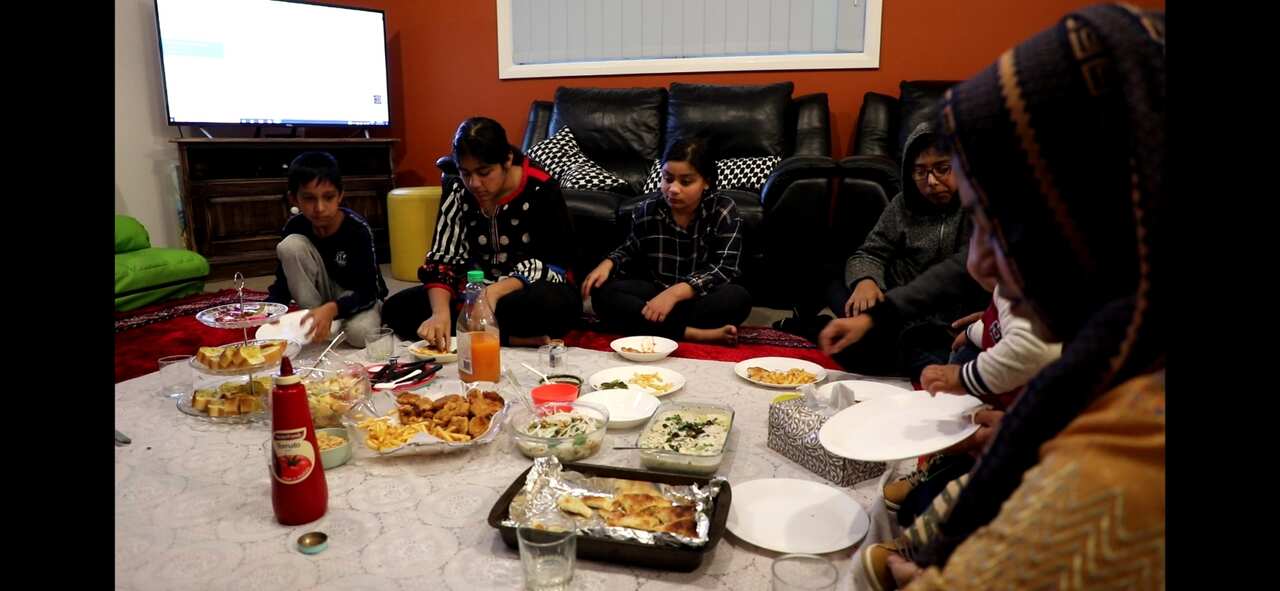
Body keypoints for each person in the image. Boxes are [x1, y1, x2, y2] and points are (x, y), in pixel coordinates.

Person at [854, 4, 1165, 589]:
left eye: (1000, 223)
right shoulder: (1113, 361)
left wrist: (883, 571)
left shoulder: (1117, 477)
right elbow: (869, 254)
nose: (980, 263)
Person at [883, 229, 1063, 524]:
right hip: (997, 408)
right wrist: (970, 333)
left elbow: (1033, 348)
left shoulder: (1017, 284)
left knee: (924, 510)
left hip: (1023, 426)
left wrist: (961, 377)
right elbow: (995, 328)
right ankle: (941, 471)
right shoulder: (1006, 290)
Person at [381, 117, 582, 349]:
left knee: (553, 306)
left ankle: (473, 332)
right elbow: (443, 259)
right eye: (466, 173)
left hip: (525, 289)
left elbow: (556, 263)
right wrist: (439, 313)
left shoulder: (541, 188)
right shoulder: (458, 188)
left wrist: (494, 293)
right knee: (396, 308)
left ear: (507, 160)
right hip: (470, 292)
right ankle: (509, 339)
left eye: (484, 172)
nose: (474, 183)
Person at [820, 121, 982, 376]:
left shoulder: (980, 209)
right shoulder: (902, 205)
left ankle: (826, 328)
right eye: (920, 171)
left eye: (942, 169)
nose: (931, 181)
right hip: (893, 303)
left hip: (945, 322)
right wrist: (866, 280)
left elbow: (959, 273)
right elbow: (870, 252)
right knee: (833, 280)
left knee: (958, 361)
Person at [581, 137, 751, 345]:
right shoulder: (647, 209)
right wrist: (609, 263)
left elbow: (725, 268)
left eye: (686, 182)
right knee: (602, 293)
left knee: (738, 298)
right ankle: (693, 333)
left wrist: (675, 294)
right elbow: (631, 248)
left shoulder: (723, 209)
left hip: (696, 297)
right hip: (656, 292)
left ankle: (653, 326)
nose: (673, 189)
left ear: (706, 181)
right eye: (667, 179)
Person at [266, 151, 388, 347]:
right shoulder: (294, 227)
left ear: (340, 195)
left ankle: (332, 319)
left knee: (361, 335)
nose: (320, 208)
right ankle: (316, 317)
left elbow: (369, 290)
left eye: (328, 197)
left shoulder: (357, 229)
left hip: (355, 296)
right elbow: (283, 282)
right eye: (309, 198)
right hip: (317, 299)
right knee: (290, 245)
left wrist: (333, 308)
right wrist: (270, 311)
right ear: (294, 199)